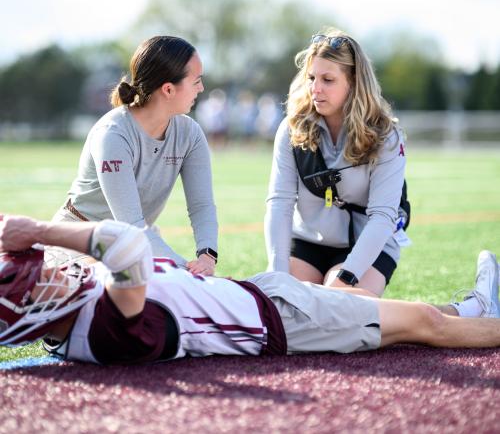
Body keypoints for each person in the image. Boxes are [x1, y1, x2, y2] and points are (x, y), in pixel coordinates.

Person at [0, 213, 499, 365]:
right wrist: (40, 230)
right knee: (423, 325)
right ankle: (476, 317)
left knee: (377, 305)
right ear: (28, 314)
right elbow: (126, 245)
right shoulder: (104, 329)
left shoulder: (70, 319)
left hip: (261, 294)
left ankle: (474, 307)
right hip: (283, 320)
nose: (52, 272)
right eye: (36, 280)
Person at [53, 36, 218, 276]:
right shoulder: (112, 134)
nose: (201, 88)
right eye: (196, 81)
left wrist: (207, 256)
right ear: (169, 89)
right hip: (79, 243)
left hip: (130, 242)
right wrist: (186, 271)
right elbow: (131, 226)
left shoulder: (190, 133)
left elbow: (202, 205)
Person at [265, 28, 409, 297]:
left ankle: (466, 310)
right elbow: (279, 203)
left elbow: (382, 217)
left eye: (328, 80)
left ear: (353, 82)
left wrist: (345, 278)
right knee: (282, 306)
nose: (315, 88)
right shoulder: (291, 128)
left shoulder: (386, 135)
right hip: (308, 241)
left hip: (366, 245)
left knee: (337, 311)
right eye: (311, 78)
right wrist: (277, 273)